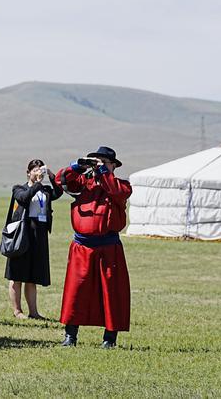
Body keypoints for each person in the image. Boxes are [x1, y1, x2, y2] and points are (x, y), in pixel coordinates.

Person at [56, 147, 132, 349]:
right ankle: (70, 335)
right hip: (82, 247)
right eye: (95, 161)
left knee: (111, 292)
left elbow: (117, 192)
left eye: (104, 162)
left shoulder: (121, 185)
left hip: (109, 247)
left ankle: (110, 338)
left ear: (113, 165)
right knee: (76, 291)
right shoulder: (82, 184)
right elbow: (60, 180)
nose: (98, 165)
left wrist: (103, 172)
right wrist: (77, 166)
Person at [6, 159, 63, 319]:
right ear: (28, 173)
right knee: (17, 274)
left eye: (40, 170)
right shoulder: (19, 188)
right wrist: (37, 183)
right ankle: (17, 311)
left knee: (33, 275)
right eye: (35, 170)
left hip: (39, 233)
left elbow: (58, 192)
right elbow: (24, 198)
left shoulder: (45, 190)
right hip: (23, 233)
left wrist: (51, 175)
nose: (38, 173)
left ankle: (34, 312)